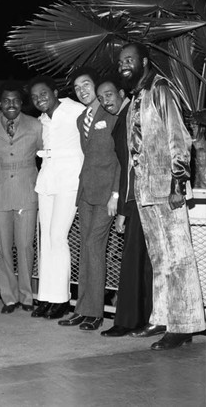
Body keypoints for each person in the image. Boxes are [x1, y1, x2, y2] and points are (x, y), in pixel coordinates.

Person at [119, 42, 206, 350]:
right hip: (146, 189)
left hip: (167, 188)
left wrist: (178, 184)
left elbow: (178, 135)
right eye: (120, 61)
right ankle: (163, 316)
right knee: (160, 257)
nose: (123, 65)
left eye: (129, 59)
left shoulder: (161, 90)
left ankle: (184, 326)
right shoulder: (137, 95)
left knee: (179, 256)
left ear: (144, 60)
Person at [59, 67, 120, 331]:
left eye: (86, 85)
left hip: (107, 193)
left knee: (95, 248)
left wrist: (116, 194)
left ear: (96, 87)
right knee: (85, 249)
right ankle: (81, 309)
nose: (82, 91)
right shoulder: (81, 118)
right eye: (77, 88)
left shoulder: (113, 113)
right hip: (85, 192)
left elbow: (121, 158)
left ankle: (95, 312)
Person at [96, 74, 153, 337]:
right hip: (133, 199)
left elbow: (133, 165)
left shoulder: (132, 115)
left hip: (139, 198)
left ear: (121, 92)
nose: (104, 101)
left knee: (134, 262)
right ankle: (139, 319)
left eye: (108, 94)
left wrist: (121, 207)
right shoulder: (124, 118)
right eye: (100, 98)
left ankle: (129, 321)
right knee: (138, 262)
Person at [0, 82, 43, 314]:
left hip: (27, 190)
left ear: (21, 102)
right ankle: (9, 297)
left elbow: (47, 156)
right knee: (4, 248)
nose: (11, 104)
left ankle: (27, 296)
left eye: (16, 100)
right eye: (6, 100)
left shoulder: (36, 125)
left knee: (25, 246)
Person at [28, 76, 85, 320]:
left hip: (70, 181)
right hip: (47, 181)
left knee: (58, 237)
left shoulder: (75, 110)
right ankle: (46, 297)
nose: (39, 99)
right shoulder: (41, 120)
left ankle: (62, 299)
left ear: (54, 91)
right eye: (34, 97)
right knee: (46, 241)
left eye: (43, 93)